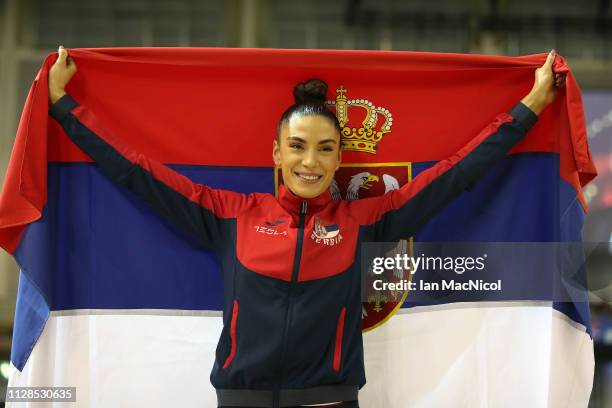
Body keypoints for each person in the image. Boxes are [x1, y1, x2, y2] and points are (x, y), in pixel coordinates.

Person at [47, 46, 563, 408]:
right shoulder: (231, 215)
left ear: (341, 159)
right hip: (239, 399)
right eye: (297, 146)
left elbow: (457, 173)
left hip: (329, 400)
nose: (310, 162)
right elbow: (138, 174)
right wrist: (64, 108)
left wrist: (529, 108)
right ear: (276, 153)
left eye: (325, 148)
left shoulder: (366, 220)